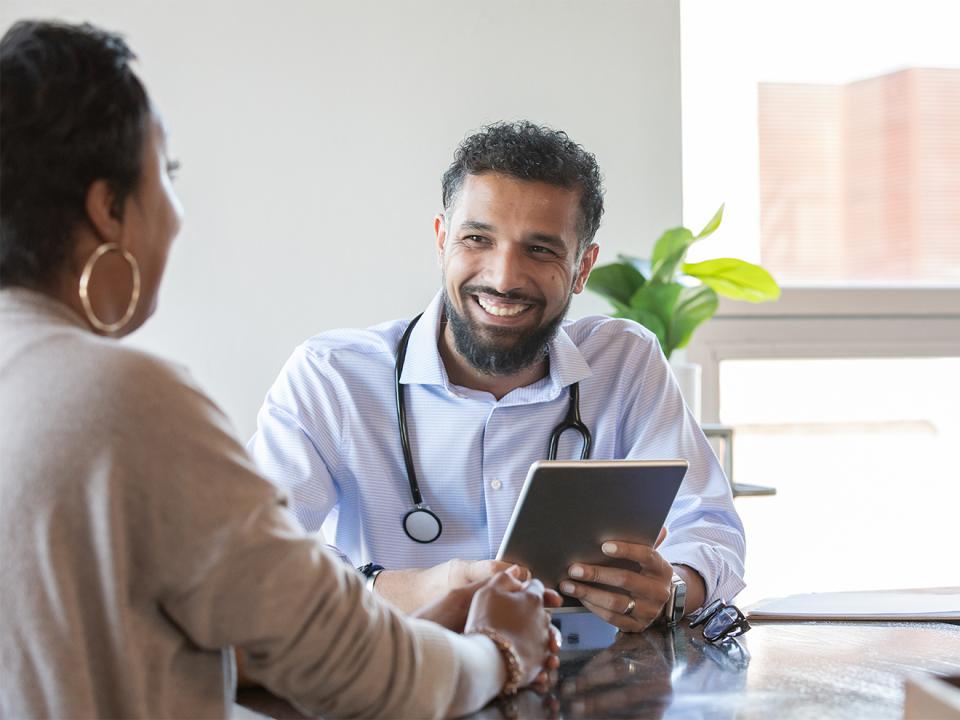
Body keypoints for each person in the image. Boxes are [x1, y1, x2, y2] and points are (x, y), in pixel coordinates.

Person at [0, 20, 560, 719]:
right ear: (108, 208)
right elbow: (358, 670)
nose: (175, 216)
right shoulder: (127, 400)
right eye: (166, 176)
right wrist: (501, 650)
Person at [248, 121, 747, 633]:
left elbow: (711, 527)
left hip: (590, 685)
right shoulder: (332, 377)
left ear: (583, 266)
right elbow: (256, 556)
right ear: (443, 240)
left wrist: (675, 587)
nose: (504, 277)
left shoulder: (625, 363)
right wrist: (402, 589)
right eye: (477, 239)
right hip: (400, 681)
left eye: (541, 249)